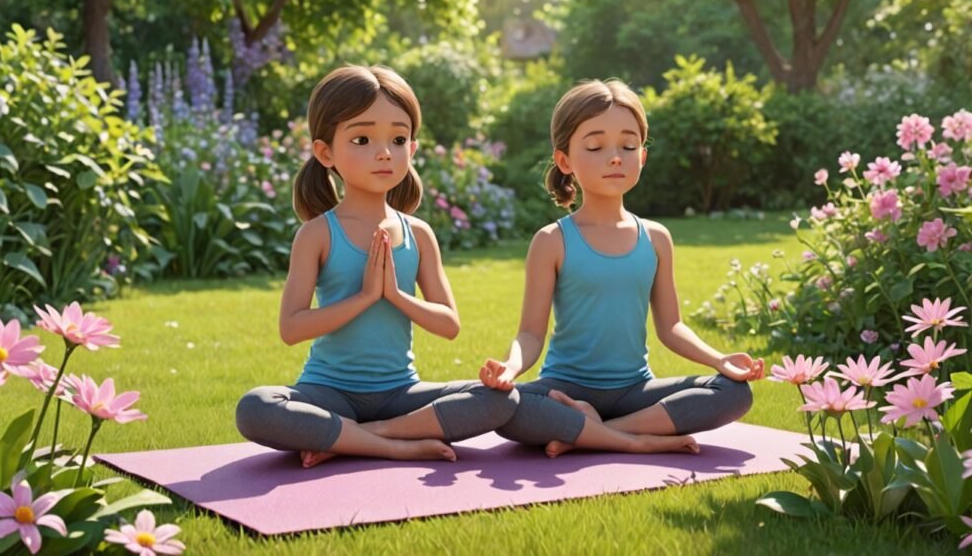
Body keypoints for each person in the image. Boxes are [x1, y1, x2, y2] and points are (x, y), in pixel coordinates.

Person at [237, 65, 518, 468]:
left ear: (413, 149)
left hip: (399, 396)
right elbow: (291, 328)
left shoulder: (419, 234)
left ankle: (361, 437)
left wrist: (396, 296)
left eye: (398, 139)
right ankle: (397, 445)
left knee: (502, 396)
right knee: (256, 407)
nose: (384, 152)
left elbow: (448, 324)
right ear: (325, 152)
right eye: (363, 139)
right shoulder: (317, 234)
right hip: (328, 394)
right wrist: (367, 296)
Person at [479, 79, 764, 457]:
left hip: (636, 393)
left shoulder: (656, 238)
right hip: (564, 392)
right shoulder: (552, 240)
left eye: (628, 146)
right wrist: (511, 368)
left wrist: (719, 359)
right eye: (595, 146)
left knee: (732, 393)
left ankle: (593, 432)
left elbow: (672, 327)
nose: (615, 157)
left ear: (642, 156)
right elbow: (531, 333)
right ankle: (636, 440)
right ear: (565, 161)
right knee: (501, 406)